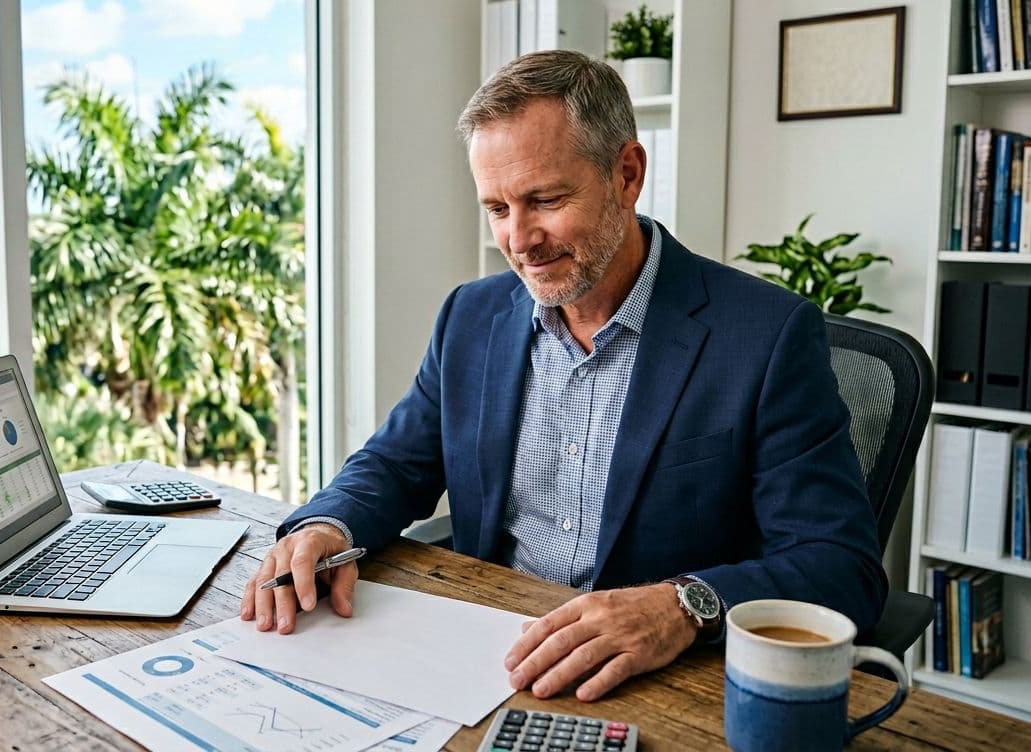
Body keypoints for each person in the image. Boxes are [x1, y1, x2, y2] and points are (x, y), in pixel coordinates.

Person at [240, 50, 886, 702]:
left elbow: (841, 567)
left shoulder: (766, 336)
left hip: (663, 683)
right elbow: (396, 463)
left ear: (626, 175)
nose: (519, 240)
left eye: (545, 199)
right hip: (483, 659)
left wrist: (680, 606)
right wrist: (326, 527)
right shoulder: (471, 317)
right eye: (496, 209)